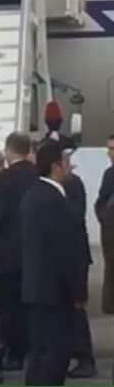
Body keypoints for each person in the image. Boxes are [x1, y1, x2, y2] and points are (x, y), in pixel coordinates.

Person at [21, 142, 88, 386]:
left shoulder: (34, 195)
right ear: (55, 166)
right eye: (66, 162)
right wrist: (78, 291)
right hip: (55, 290)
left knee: (40, 352)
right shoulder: (53, 200)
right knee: (54, 355)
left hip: (37, 288)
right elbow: (65, 251)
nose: (70, 166)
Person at [0, 132, 37, 372]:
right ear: (28, 150)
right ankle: (33, 349)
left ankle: (14, 354)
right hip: (36, 251)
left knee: (9, 306)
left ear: (8, 151)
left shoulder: (1, 181)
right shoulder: (39, 177)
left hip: (7, 253)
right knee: (32, 304)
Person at [62, 155, 97, 379]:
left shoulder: (71, 184)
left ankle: (85, 358)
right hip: (72, 255)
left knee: (75, 306)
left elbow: (74, 218)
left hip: (74, 257)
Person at [97, 134, 114, 316]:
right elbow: (101, 200)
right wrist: (104, 217)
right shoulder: (109, 174)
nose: (109, 153)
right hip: (111, 228)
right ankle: (109, 304)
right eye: (109, 149)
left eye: (112, 149)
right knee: (110, 265)